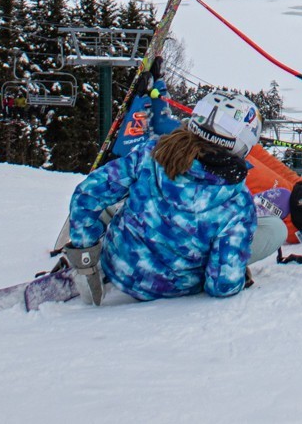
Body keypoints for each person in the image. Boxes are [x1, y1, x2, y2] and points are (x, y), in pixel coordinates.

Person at [61, 90, 290, 303]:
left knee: (118, 200)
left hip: (118, 265)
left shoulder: (153, 152)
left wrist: (86, 257)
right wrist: (236, 272)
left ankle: (97, 244)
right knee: (274, 229)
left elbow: (88, 193)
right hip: (176, 286)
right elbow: (222, 286)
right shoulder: (237, 203)